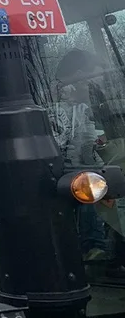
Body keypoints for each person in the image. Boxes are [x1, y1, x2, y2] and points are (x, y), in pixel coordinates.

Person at [52, 49, 109, 261]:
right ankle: (95, 246)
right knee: (93, 181)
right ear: (79, 77)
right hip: (63, 175)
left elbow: (88, 143)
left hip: (81, 166)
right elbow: (72, 152)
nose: (99, 85)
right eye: (95, 79)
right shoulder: (56, 109)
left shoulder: (82, 107)